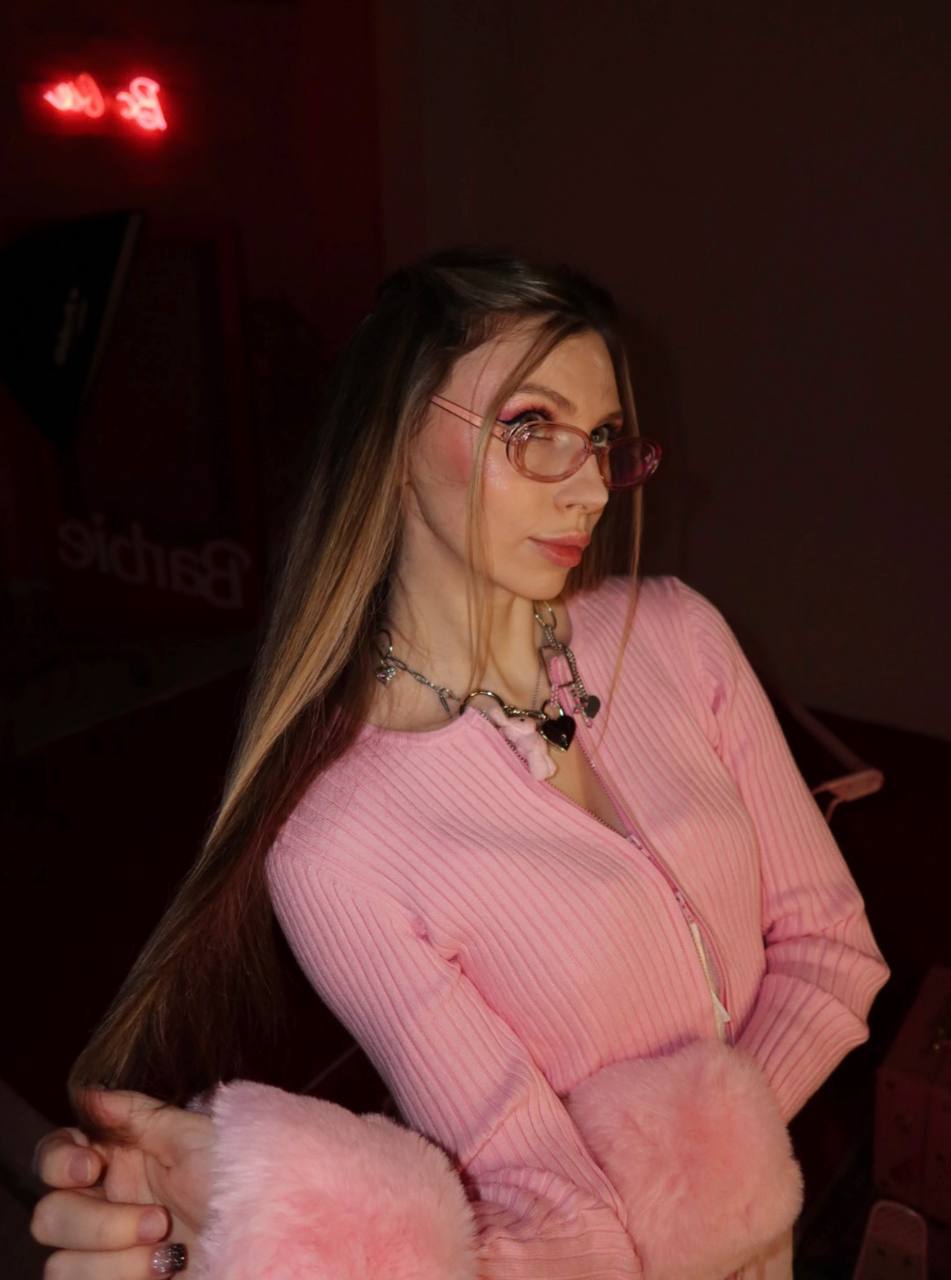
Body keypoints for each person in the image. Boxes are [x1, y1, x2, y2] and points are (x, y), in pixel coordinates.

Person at [31, 246, 890, 1279]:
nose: (591, 488)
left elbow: (833, 950)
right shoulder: (337, 844)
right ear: (394, 436)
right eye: (534, 429)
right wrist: (287, 1226)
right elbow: (558, 1227)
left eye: (602, 439)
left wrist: (717, 1173)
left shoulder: (679, 634)